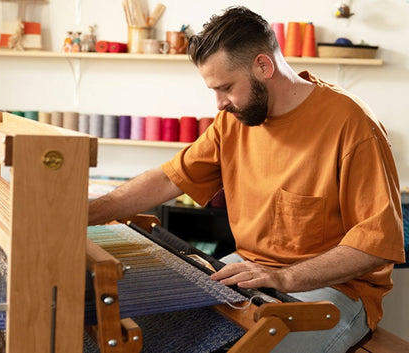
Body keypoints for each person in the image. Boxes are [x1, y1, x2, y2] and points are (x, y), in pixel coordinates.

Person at [88, 6, 405, 352]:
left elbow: (377, 244)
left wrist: (284, 277)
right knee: (141, 334)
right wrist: (90, 213)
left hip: (336, 291)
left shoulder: (353, 125)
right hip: (251, 271)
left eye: (226, 87)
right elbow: (169, 179)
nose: (220, 103)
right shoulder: (234, 120)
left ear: (263, 66)